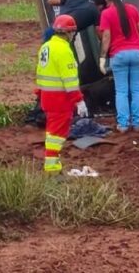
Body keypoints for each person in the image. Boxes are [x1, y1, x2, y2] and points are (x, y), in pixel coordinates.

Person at [35, 14, 88, 174]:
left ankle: (53, 164)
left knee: (52, 132)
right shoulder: (64, 50)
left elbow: (41, 72)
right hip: (60, 100)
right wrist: (79, 101)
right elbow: (70, 80)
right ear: (68, 32)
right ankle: (52, 168)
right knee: (57, 135)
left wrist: (40, 93)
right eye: (73, 32)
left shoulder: (46, 47)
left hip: (47, 97)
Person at [98, 0, 139, 133]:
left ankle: (123, 125)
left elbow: (106, 37)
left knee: (121, 91)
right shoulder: (132, 9)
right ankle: (137, 124)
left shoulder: (106, 14)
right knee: (137, 90)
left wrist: (102, 57)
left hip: (119, 55)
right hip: (137, 53)